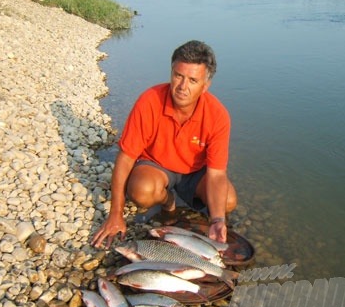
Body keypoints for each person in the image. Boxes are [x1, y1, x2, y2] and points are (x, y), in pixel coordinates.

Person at [91, 40, 237, 249]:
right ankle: (169, 200)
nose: (182, 87)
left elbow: (216, 174)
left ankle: (203, 221)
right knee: (142, 192)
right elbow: (125, 158)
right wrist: (116, 214)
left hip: (196, 172)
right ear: (171, 72)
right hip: (157, 165)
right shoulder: (150, 101)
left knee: (228, 201)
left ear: (205, 86)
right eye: (178, 76)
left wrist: (217, 221)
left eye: (193, 80)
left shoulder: (218, 115)